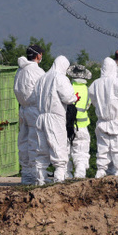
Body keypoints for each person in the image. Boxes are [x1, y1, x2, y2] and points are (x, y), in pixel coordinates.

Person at [33, 55, 80, 185]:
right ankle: (59, 178)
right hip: (55, 117)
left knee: (41, 149)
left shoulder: (41, 79)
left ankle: (40, 179)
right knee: (59, 147)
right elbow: (68, 97)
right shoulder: (60, 78)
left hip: (41, 116)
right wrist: (75, 98)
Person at [89, 57, 118, 178]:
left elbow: (93, 100)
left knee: (103, 146)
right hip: (116, 120)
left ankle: (101, 169)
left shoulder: (95, 84)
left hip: (102, 120)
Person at [13, 45, 45, 184]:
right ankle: (37, 175)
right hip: (34, 109)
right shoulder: (37, 71)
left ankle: (26, 174)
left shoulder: (20, 70)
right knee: (35, 142)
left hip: (23, 109)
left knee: (23, 142)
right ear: (38, 56)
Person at [66, 64, 92, 179]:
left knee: (65, 150)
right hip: (82, 124)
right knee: (81, 151)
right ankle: (80, 174)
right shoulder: (88, 90)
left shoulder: (68, 86)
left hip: (67, 125)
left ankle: (66, 174)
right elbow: (87, 106)